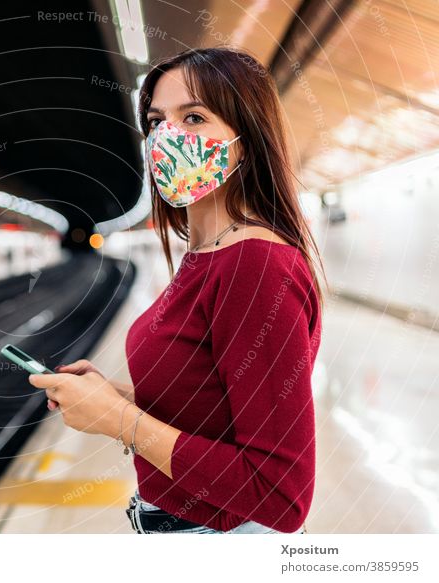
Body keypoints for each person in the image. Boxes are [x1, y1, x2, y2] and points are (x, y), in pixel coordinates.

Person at [29, 47, 326, 534]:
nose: (167, 137)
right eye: (155, 121)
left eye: (193, 116)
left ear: (246, 138)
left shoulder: (253, 264)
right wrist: (118, 399)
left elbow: (279, 492)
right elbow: (215, 411)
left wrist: (120, 422)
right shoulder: (206, 255)